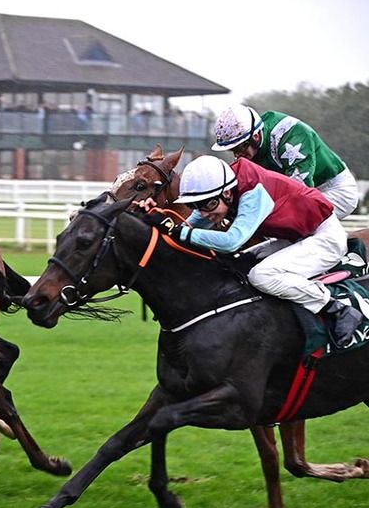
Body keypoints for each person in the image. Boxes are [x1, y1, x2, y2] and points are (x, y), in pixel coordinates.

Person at [139, 155, 364, 346]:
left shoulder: (253, 194)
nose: (204, 213)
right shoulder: (224, 189)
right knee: (241, 261)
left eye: (207, 205)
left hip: (324, 237)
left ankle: (337, 309)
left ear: (227, 194)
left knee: (262, 275)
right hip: (299, 236)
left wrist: (178, 231)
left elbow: (231, 241)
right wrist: (154, 217)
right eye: (196, 206)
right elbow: (187, 228)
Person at [212, 104, 359, 218]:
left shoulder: (292, 136)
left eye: (240, 147)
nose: (238, 155)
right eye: (232, 150)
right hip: (308, 191)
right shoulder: (251, 144)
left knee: (292, 222)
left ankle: (348, 254)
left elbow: (300, 192)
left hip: (336, 189)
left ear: (256, 136)